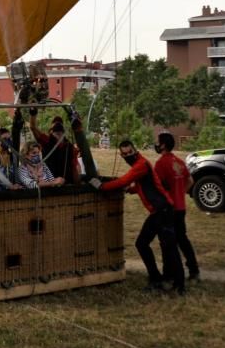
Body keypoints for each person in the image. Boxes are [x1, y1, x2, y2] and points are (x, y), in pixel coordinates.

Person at [91, 140, 185, 294]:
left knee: (159, 246)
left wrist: (102, 187)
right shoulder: (141, 164)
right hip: (161, 211)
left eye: (130, 152)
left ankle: (175, 284)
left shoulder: (140, 165)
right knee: (156, 245)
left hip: (163, 211)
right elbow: (146, 183)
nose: (128, 155)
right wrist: (132, 190)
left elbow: (124, 180)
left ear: (135, 150)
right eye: (125, 154)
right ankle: (163, 279)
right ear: (121, 154)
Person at [154, 131, 200, 282]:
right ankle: (193, 269)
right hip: (181, 207)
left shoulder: (161, 164)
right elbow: (190, 181)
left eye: (158, 142)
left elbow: (156, 185)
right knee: (182, 239)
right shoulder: (179, 162)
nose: (156, 144)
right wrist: (181, 192)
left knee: (168, 242)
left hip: (169, 209)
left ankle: (169, 274)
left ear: (163, 145)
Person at [29, 112, 81, 182]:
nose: (57, 124)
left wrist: (77, 185)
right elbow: (33, 127)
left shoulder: (70, 147)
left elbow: (75, 168)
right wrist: (33, 112)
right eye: (55, 123)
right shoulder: (46, 140)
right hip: (50, 184)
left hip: (66, 183)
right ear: (51, 131)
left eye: (59, 123)